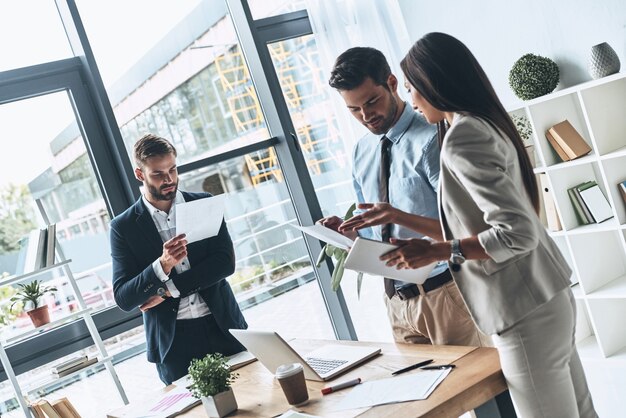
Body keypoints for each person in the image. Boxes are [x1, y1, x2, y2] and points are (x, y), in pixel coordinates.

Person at [341, 33, 597, 418]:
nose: (412, 100)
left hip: (521, 307)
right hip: (545, 295)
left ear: (434, 85)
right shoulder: (483, 122)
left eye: (412, 89)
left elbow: (517, 232)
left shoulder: (461, 138)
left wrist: (440, 250)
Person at [323, 46, 488, 347]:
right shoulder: (362, 151)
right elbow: (377, 236)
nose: (365, 115)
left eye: (371, 102)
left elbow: (463, 228)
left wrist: (398, 215)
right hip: (397, 304)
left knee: (485, 391)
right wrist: (347, 236)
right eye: (354, 109)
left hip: (447, 294)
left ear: (392, 83)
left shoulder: (433, 139)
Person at [109, 134, 247, 385]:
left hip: (223, 326)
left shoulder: (203, 202)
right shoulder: (123, 227)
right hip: (173, 344)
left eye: (172, 169)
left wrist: (168, 291)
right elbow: (124, 297)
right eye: (158, 174)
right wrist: (161, 266)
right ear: (140, 174)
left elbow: (224, 263)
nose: (169, 179)